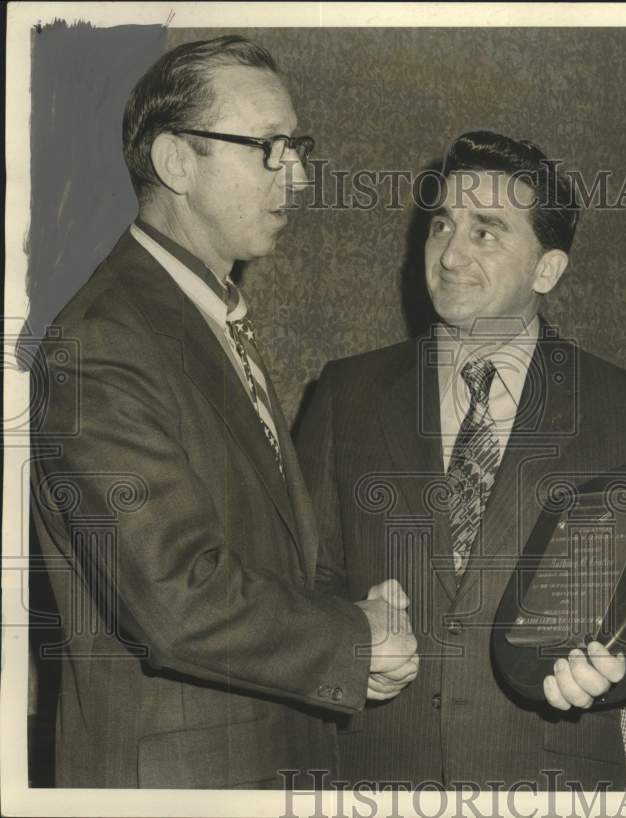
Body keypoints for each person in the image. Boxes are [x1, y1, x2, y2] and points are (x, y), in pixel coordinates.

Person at [30, 35, 417, 789]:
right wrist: (350, 636)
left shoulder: (201, 317)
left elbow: (249, 556)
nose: (297, 176)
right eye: (268, 148)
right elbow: (175, 598)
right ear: (177, 162)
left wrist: (349, 611)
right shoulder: (101, 341)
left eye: (297, 148)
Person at [295, 130, 626, 790]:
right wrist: (349, 635)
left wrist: (613, 666)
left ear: (546, 269)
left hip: (548, 781)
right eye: (441, 224)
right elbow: (299, 575)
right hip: (373, 778)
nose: (449, 254)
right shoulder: (346, 393)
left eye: (486, 232)